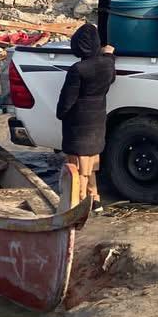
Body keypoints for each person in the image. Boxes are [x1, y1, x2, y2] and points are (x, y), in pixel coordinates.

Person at [56, 23, 116, 214]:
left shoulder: (78, 69)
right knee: (90, 163)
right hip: (98, 120)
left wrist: (60, 114)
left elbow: (68, 99)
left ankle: (78, 203)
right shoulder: (107, 64)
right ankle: (95, 200)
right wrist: (108, 53)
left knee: (79, 168)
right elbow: (109, 67)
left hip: (78, 124)